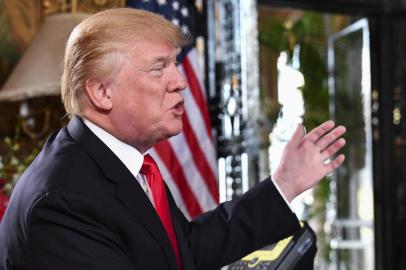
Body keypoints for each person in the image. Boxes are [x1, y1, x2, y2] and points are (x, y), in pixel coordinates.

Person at [0, 8, 346, 270]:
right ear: (102, 92)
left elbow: (184, 249)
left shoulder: (123, 161)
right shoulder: (62, 200)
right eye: (158, 67)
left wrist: (285, 183)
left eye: (175, 64)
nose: (179, 81)